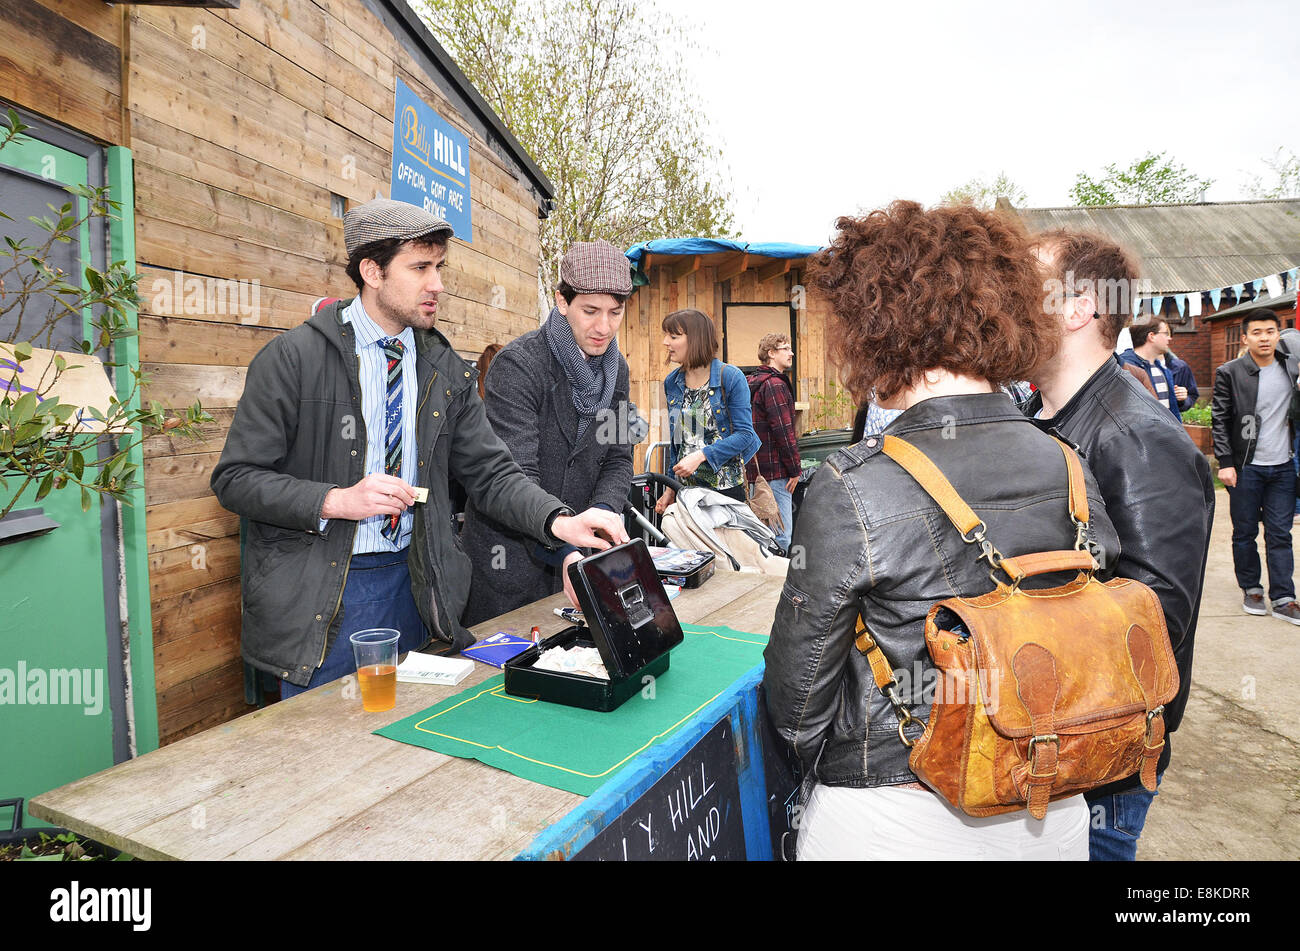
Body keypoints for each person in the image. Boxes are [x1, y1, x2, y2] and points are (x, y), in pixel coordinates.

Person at [763, 201, 1120, 860]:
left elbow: (796, 706)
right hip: (1051, 802)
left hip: (897, 819)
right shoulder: (1068, 460)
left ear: (879, 328)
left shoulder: (851, 483)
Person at [211, 199, 627, 698]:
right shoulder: (291, 359)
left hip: (420, 590)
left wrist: (559, 522)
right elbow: (235, 479)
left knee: (413, 751)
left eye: (440, 268)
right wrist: (336, 500)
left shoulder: (444, 367)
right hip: (323, 599)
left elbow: (493, 473)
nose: (438, 284)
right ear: (372, 271)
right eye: (420, 268)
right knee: (327, 754)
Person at [1024, 228, 1215, 861]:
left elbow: (1157, 617)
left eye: (1024, 287)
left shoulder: (1136, 437)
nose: (1001, 303)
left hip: (1103, 757)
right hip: (1054, 734)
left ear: (1078, 308)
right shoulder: (1035, 414)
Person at [460, 240, 637, 625]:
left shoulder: (618, 370)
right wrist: (564, 548)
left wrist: (602, 514)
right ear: (561, 301)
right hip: (509, 572)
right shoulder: (519, 365)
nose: (603, 327)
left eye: (614, 312)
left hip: (582, 560)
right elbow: (514, 475)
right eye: (590, 311)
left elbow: (619, 457)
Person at [1213, 308, 1300, 625]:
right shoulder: (1230, 372)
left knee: (1280, 533)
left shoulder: (1290, 366)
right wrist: (1225, 463)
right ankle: (1251, 588)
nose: (1265, 338)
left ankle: (1284, 597)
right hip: (1246, 467)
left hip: (1282, 467)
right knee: (1245, 532)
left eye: (1270, 331)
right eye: (1257, 332)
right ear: (1246, 337)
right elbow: (1220, 420)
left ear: (1279, 334)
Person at [655, 308, 760, 512]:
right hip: (686, 493)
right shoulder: (672, 382)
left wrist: (701, 455)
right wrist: (670, 487)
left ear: (696, 340)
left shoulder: (730, 377)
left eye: (673, 336)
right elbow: (678, 442)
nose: (665, 342)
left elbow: (745, 435)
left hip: (725, 492)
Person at [745, 333, 801, 551]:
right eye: (785, 348)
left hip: (754, 472)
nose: (791, 353)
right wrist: (795, 469)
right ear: (771, 353)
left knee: (761, 534)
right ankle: (777, 584)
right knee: (781, 536)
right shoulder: (775, 384)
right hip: (776, 473)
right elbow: (784, 431)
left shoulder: (752, 382)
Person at [1118, 319, 1188, 418]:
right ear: (1151, 336)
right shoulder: (1127, 369)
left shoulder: (1163, 370)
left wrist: (1180, 399)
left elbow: (1170, 410)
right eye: (1165, 333)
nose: (1169, 338)